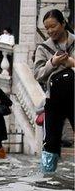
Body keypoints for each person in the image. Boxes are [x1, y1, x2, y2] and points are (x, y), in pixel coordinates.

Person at [33, 9, 75, 172]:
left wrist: (70, 62)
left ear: (63, 23)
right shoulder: (43, 48)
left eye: (53, 26)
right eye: (47, 28)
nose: (50, 31)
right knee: (50, 141)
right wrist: (53, 62)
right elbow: (38, 74)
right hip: (54, 99)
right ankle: (48, 179)